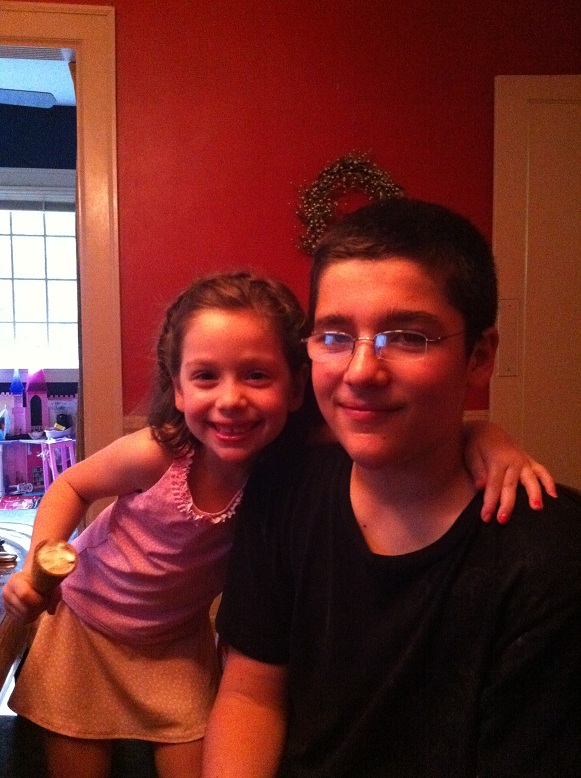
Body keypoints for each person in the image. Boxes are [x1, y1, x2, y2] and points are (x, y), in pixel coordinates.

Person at [202, 201, 580, 778]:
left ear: (479, 356)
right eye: (335, 336)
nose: (360, 371)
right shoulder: (283, 489)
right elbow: (251, 697)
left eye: (407, 337)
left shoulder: (552, 557)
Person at [2, 271, 308, 778]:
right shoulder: (160, 452)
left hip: (175, 647)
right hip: (84, 630)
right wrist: (39, 558)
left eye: (257, 375)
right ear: (178, 389)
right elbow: (71, 486)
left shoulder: (287, 472)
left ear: (295, 387)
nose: (231, 399)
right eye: (206, 376)